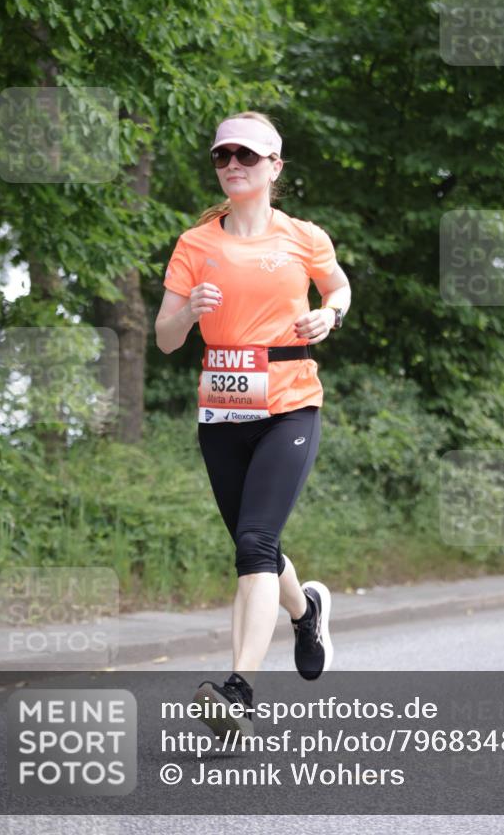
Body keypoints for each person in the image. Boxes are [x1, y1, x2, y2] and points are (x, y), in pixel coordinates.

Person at [155, 111, 351, 738]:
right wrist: (188, 310)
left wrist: (330, 316)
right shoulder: (195, 244)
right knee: (254, 545)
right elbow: (164, 339)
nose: (233, 165)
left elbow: (339, 288)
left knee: (256, 543)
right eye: (222, 156)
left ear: (274, 166)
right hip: (223, 411)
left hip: (291, 404)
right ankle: (306, 610)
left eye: (246, 155)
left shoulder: (304, 237)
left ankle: (238, 690)